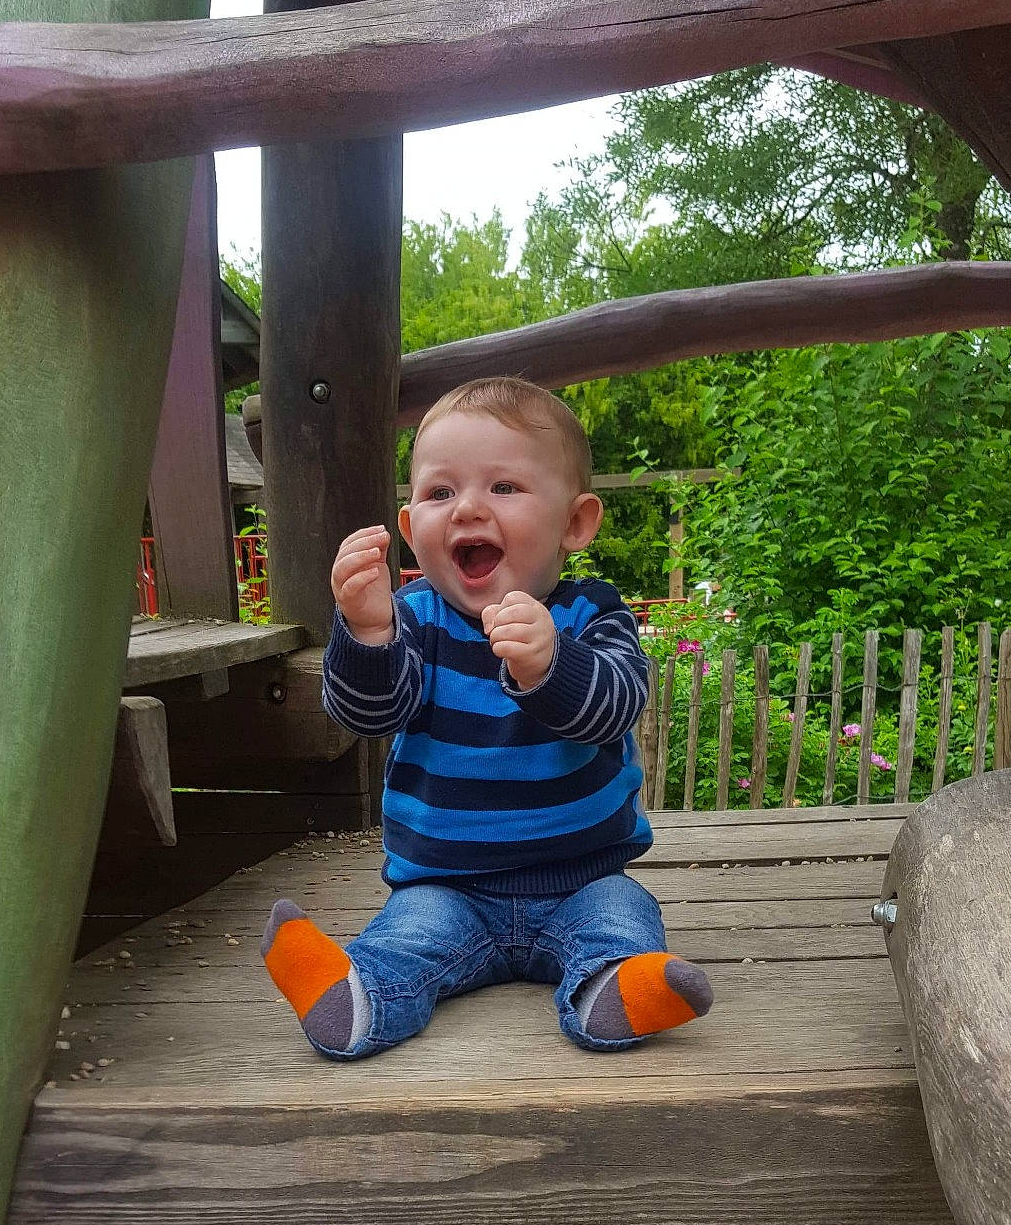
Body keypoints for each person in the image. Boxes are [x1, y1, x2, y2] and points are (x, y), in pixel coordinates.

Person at [261, 377, 713, 1059]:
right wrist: (366, 633)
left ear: (575, 523)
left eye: (503, 487)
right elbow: (366, 714)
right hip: (446, 887)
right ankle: (354, 997)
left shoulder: (592, 614)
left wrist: (549, 668)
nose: (468, 507)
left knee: (624, 918)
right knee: (405, 939)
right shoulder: (412, 619)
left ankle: (614, 992)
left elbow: (616, 706)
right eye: (440, 492)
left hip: (582, 880)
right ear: (411, 530)